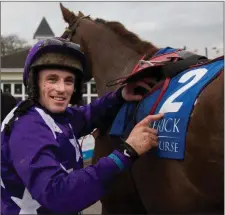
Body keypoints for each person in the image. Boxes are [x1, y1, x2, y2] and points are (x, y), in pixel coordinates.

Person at [1, 37, 164, 215]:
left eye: (68, 81)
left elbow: (88, 115)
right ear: (35, 83)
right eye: (52, 79)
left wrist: (119, 96)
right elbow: (59, 195)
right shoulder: (28, 128)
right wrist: (127, 152)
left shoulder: (55, 116)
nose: (62, 89)